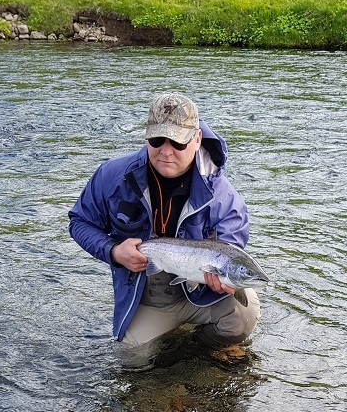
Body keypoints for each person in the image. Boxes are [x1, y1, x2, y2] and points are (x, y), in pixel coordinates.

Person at [68, 93, 261, 365]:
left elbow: (232, 251)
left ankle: (199, 347)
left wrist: (225, 285)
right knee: (131, 360)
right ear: (146, 137)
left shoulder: (225, 199)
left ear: (196, 140)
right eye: (157, 140)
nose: (166, 151)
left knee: (244, 313)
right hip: (148, 297)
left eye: (178, 142)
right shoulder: (112, 176)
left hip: (201, 297)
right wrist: (113, 251)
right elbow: (79, 222)